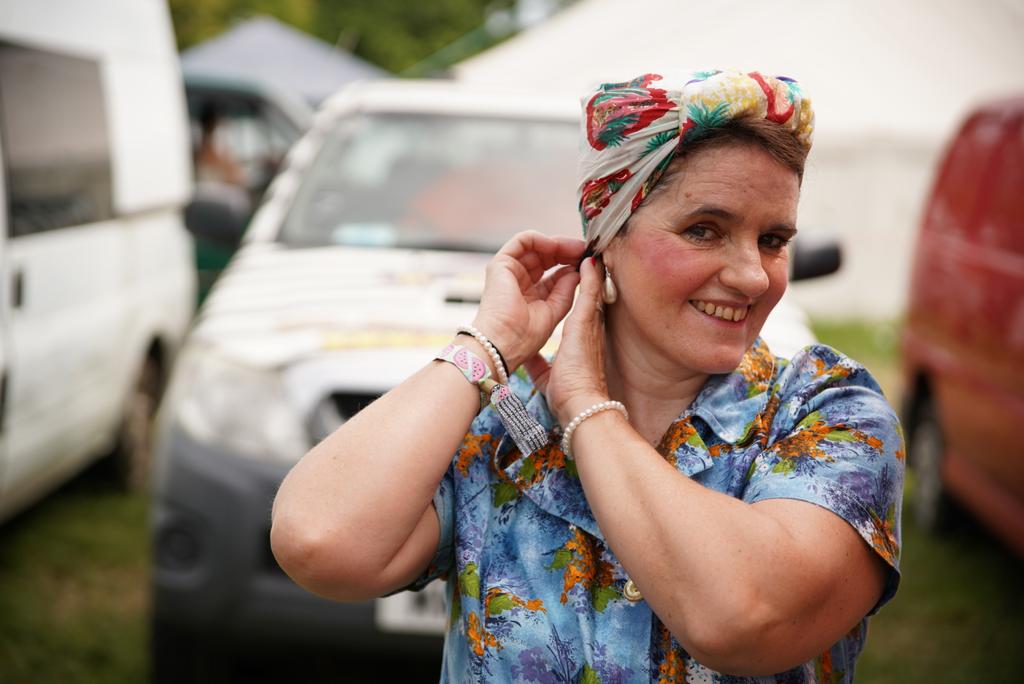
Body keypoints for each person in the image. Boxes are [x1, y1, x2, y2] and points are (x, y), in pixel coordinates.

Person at [271, 70, 904, 682]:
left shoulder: (827, 417)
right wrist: (487, 347)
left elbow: (744, 616)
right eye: (704, 230)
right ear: (607, 242)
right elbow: (319, 542)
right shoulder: (505, 430)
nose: (751, 275)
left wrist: (586, 412)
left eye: (772, 239)